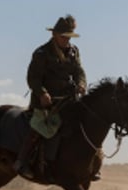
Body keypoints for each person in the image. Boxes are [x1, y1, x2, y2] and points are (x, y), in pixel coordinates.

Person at [15, 15, 87, 176]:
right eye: (64, 37)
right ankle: (22, 161)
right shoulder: (41, 53)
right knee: (39, 127)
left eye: (69, 37)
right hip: (45, 102)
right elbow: (33, 78)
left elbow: (79, 72)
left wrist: (81, 84)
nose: (67, 40)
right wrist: (42, 93)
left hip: (69, 99)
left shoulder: (74, 51)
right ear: (54, 35)